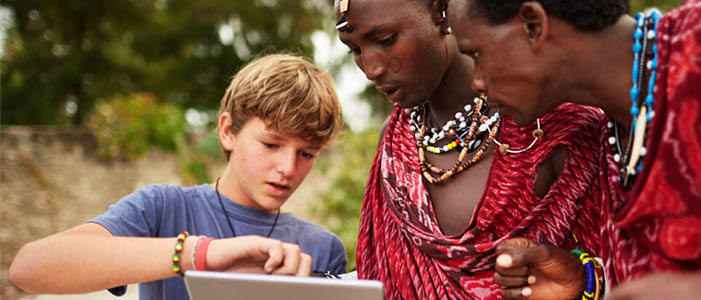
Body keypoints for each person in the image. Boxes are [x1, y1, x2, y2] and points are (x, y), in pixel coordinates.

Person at [446, 0, 701, 299]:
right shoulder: (613, 144)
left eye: (476, 54)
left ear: (532, 25)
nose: (476, 82)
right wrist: (583, 282)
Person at [335, 0, 616, 299]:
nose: (371, 68)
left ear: (438, 11)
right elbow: (381, 279)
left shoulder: (553, 127)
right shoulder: (395, 145)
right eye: (355, 50)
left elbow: (630, 270)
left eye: (385, 40)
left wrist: (585, 280)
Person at [9, 53, 347, 300]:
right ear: (228, 131)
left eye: (307, 154)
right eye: (271, 144)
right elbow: (30, 267)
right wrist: (196, 254)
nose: (288, 168)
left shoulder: (324, 249)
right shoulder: (162, 208)